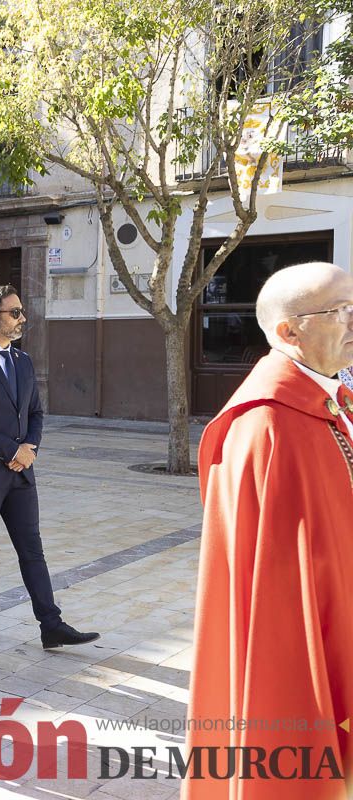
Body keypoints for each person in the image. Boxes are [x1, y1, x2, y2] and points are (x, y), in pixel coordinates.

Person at [185, 262, 353, 800]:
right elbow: (279, 595)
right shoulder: (267, 426)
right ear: (288, 332)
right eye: (341, 311)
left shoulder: (326, 399)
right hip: (304, 648)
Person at [0, 285, 98, 649]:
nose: (22, 318)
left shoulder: (24, 361)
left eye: (20, 311)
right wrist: (12, 451)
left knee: (32, 550)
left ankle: (51, 624)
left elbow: (35, 412)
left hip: (21, 475)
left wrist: (29, 449)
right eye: (14, 312)